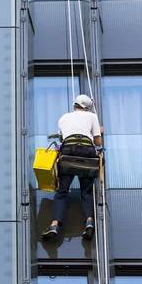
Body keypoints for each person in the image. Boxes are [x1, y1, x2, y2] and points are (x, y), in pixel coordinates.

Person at [42, 94, 103, 240]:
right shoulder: (92, 117)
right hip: (87, 156)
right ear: (87, 108)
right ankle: (89, 222)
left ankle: (55, 224)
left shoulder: (63, 118)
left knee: (62, 192)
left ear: (74, 105)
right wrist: (99, 131)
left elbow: (62, 139)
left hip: (67, 155)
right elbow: (98, 143)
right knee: (86, 193)